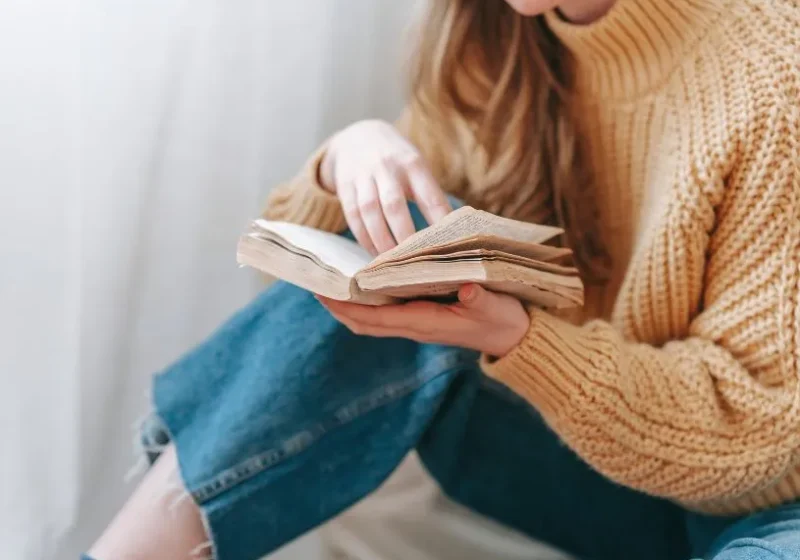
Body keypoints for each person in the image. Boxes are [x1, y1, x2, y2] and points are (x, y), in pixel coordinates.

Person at [86, 0, 800, 558]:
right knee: (390, 259)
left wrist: (524, 342)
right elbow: (300, 302)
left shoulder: (771, 64)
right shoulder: (496, 40)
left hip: (773, 503)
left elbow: (756, 438)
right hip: (611, 483)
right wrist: (345, 160)